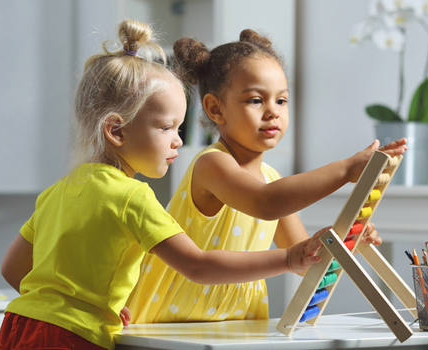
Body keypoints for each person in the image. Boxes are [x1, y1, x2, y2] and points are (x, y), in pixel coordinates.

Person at [0, 20, 331, 350]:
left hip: (18, 325)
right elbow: (198, 266)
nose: (177, 142)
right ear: (117, 131)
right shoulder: (133, 198)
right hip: (72, 338)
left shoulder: (60, 189)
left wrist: (66, 306)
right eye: (167, 128)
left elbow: (13, 269)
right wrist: (286, 260)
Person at [126, 29, 408, 323]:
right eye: (256, 100)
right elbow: (265, 203)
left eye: (281, 101)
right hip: (166, 325)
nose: (273, 112)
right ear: (215, 108)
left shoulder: (271, 178)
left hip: (235, 327)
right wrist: (346, 169)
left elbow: (305, 263)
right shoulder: (212, 165)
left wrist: (350, 238)